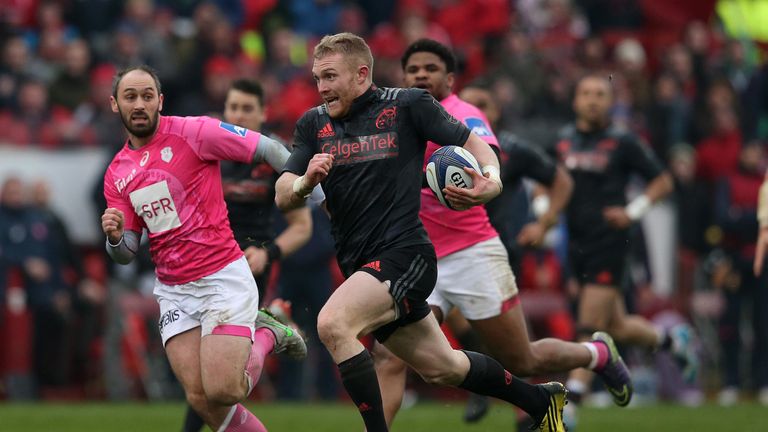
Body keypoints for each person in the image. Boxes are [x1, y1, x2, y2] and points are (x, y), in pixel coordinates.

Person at [275, 32, 566, 432]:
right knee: (443, 367)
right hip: (360, 264)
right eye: (317, 78)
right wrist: (304, 183)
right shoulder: (313, 123)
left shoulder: (407, 106)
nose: (321, 88)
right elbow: (282, 194)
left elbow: (476, 145)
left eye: (329, 77)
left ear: (361, 74)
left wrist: (492, 182)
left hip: (405, 254)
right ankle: (540, 401)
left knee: (332, 324)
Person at [370, 39, 631, 429]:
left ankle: (596, 354)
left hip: (474, 253)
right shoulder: (395, 120)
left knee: (523, 359)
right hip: (418, 258)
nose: (421, 75)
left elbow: (486, 150)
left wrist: (487, 180)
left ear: (451, 78)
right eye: (413, 70)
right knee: (389, 354)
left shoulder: (465, 114)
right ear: (403, 77)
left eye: (431, 68)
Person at [101, 65, 307, 432]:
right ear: (115, 104)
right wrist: (116, 236)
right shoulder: (117, 171)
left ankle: (270, 333)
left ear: (160, 101)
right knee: (200, 399)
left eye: (147, 96)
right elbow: (127, 250)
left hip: (221, 277)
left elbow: (271, 148)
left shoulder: (195, 131)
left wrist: (314, 192)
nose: (139, 103)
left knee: (224, 389)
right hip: (173, 291)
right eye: (130, 96)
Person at [556, 74, 695, 426]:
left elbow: (662, 180)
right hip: (576, 244)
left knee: (589, 324)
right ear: (575, 101)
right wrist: (544, 217)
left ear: (610, 101)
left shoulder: (623, 141)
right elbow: (551, 184)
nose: (592, 99)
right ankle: (672, 341)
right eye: (585, 92)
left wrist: (632, 212)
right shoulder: (563, 141)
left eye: (600, 94)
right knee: (614, 323)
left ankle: (570, 404)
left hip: (609, 242)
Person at [180, 79, 314, 432]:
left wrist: (267, 253)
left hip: (247, 266)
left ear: (262, 113)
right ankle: (272, 328)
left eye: (246, 109)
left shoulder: (275, 158)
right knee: (204, 374)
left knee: (213, 374)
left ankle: (270, 331)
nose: (238, 115)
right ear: (224, 111)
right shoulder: (208, 150)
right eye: (233, 108)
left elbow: (302, 227)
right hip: (203, 263)